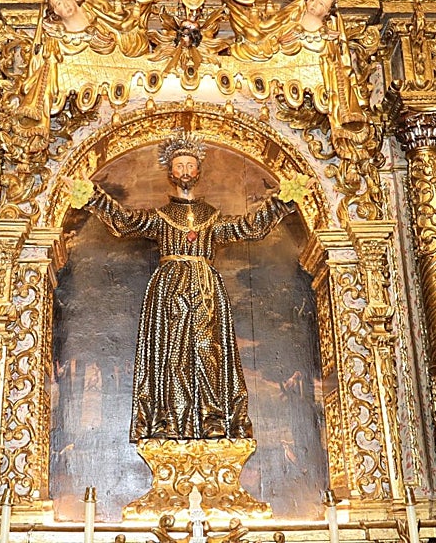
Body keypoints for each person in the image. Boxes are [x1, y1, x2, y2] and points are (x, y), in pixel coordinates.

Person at [63, 134, 297, 441]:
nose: (185, 170)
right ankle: (172, 419)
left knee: (207, 351)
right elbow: (125, 221)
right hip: (170, 289)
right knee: (172, 356)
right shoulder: (160, 217)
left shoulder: (212, 217)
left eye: (190, 165)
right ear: (170, 173)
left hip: (206, 291)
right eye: (179, 165)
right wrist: (93, 196)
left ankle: (213, 417)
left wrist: (283, 201)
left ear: (198, 172)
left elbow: (246, 227)